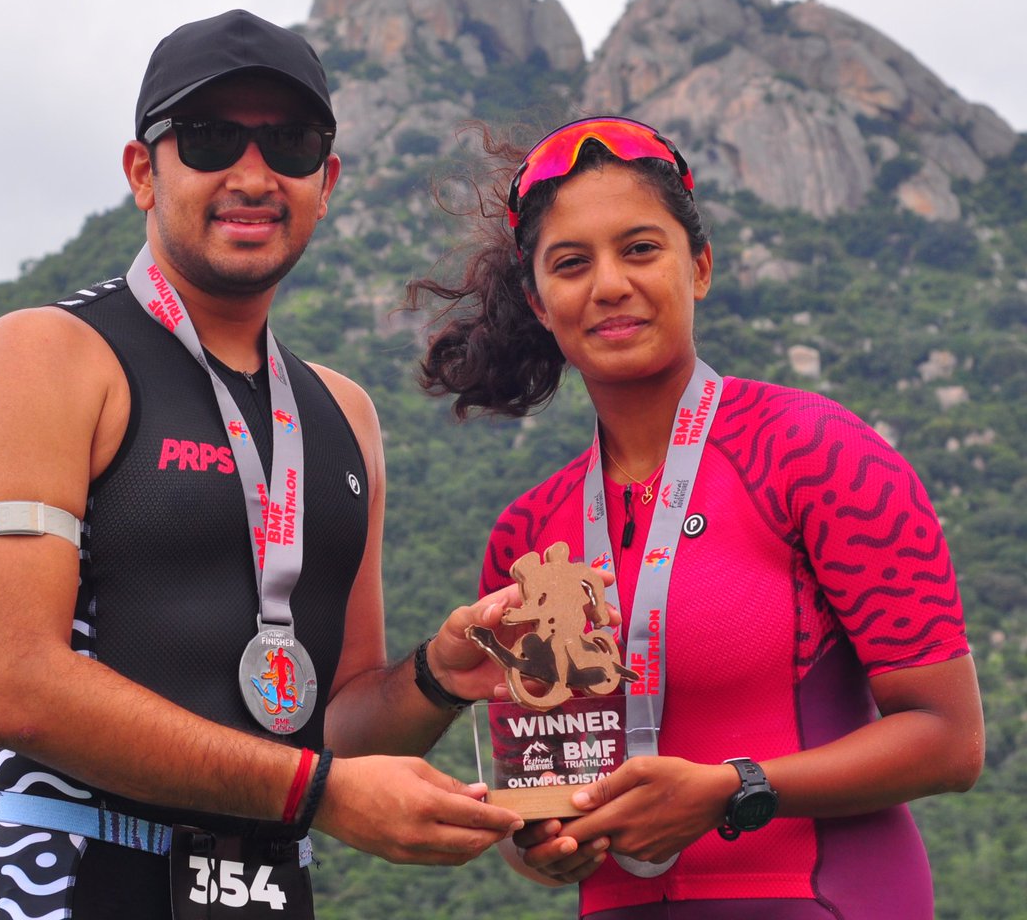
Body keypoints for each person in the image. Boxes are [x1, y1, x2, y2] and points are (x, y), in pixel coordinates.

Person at [0, 9, 525, 920]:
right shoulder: (46, 357)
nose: (253, 174)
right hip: (63, 884)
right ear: (143, 171)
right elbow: (14, 686)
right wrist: (317, 794)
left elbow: (337, 723)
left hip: (266, 890)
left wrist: (439, 675)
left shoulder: (344, 417)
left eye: (288, 143)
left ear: (325, 182)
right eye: (209, 139)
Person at [409, 116, 985, 919]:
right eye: (572, 264)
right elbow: (542, 811)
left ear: (700, 266)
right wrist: (542, 844)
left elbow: (949, 740)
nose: (610, 284)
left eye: (640, 249)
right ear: (541, 305)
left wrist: (734, 789)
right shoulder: (529, 537)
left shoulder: (816, 453)